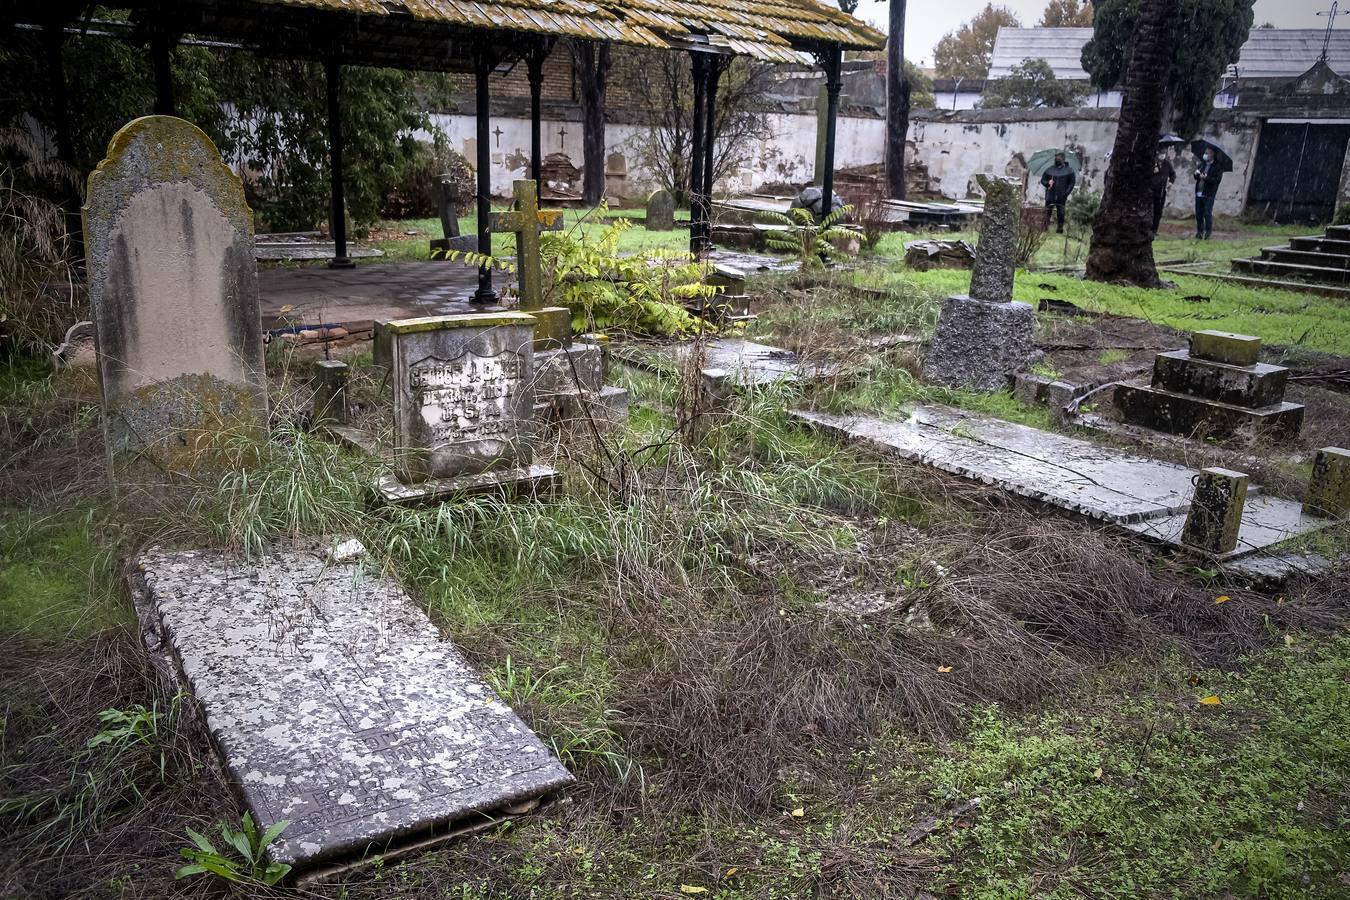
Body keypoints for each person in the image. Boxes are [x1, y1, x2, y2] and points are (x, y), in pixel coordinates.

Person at [1040, 151, 1076, 233]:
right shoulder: (1050, 169)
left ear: (1063, 159)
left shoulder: (1069, 170)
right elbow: (1042, 180)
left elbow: (1071, 183)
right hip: (1050, 195)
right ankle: (1045, 227)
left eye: (1059, 157)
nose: (1057, 159)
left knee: (1061, 213)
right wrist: (1048, 183)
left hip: (1061, 196)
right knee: (1047, 211)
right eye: (1056, 157)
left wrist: (1066, 193)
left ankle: (1059, 229)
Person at [1193, 147, 1223, 240]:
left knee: (1207, 213)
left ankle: (1208, 232)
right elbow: (1197, 177)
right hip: (1199, 192)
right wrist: (1196, 174)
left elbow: (1216, 180)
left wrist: (1206, 178)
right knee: (1199, 214)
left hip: (1209, 193)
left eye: (1208, 153)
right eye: (1205, 152)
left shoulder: (1217, 167)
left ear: (1213, 154)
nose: (1206, 154)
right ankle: (1199, 232)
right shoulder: (1202, 165)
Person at [1151, 148, 1175, 234]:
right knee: (1151, 209)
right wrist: (1153, 171)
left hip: (1162, 190)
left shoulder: (1167, 164)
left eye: (1164, 153)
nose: (1163, 155)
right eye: (1161, 153)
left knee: (1158, 210)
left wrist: (1171, 183)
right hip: (1152, 190)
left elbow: (1173, 174)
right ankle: (1148, 228)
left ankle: (1154, 229)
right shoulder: (1152, 162)